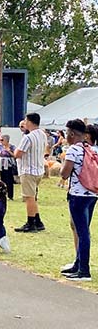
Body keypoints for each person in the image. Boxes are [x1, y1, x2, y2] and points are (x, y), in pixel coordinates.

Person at [58, 119, 97, 281]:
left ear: (72, 134)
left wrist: (64, 165)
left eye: (67, 133)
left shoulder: (74, 149)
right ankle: (78, 263)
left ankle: (83, 270)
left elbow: (64, 174)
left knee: (82, 232)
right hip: (92, 194)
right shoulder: (91, 149)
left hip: (78, 194)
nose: (66, 136)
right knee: (83, 229)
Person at [14, 113, 47, 232]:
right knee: (33, 197)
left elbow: (18, 154)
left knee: (29, 197)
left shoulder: (28, 137)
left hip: (28, 170)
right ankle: (37, 221)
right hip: (38, 169)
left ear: (30, 122)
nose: (24, 122)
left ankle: (30, 222)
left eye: (25, 120)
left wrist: (15, 150)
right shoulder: (42, 134)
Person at [0, 134, 17, 200]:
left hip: (9, 164)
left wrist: (9, 151)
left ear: (6, 140)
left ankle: (10, 195)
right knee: (2, 179)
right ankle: (3, 194)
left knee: (9, 180)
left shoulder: (12, 147)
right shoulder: (0, 146)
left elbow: (15, 155)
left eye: (2, 140)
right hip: (2, 164)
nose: (1, 141)